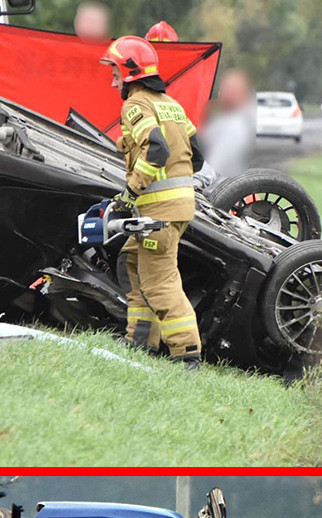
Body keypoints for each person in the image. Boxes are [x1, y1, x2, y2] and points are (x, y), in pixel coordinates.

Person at [103, 35, 204, 365]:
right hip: (177, 207)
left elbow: (157, 148)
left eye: (115, 72)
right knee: (131, 262)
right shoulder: (170, 104)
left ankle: (186, 353)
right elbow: (198, 153)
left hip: (158, 211)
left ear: (129, 72)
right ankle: (141, 339)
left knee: (160, 282)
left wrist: (131, 192)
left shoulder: (135, 105)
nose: (111, 78)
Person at [195, 68, 256, 189]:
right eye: (225, 88)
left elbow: (215, 164)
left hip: (212, 199)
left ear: (244, 96)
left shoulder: (236, 126)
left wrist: (195, 182)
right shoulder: (220, 120)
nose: (227, 93)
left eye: (233, 90)